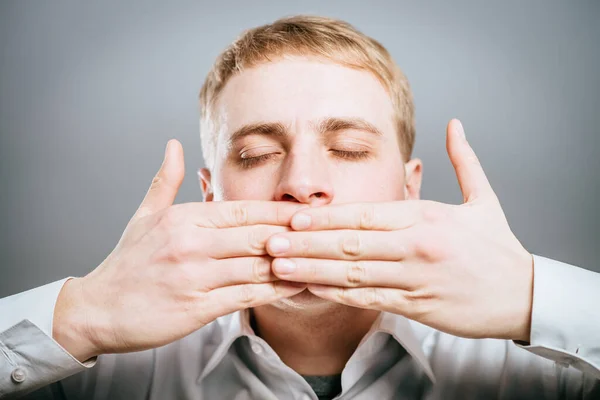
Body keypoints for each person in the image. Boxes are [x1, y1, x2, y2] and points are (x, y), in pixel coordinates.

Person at [0, 15, 598, 400]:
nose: (302, 184)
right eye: (258, 154)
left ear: (410, 187)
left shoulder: (549, 371)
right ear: (210, 194)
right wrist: (79, 315)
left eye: (349, 149)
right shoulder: (96, 363)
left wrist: (534, 296)